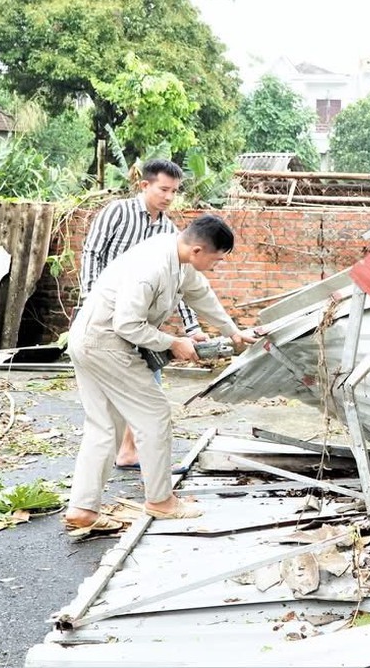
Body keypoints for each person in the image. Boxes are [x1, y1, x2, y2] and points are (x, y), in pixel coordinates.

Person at [64, 215, 256, 532]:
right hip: (105, 343)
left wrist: (233, 332)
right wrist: (173, 343)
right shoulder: (151, 268)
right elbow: (126, 324)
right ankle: (160, 501)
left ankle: (83, 509)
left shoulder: (178, 257)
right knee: (153, 415)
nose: (218, 266)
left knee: (104, 426)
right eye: (217, 260)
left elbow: (201, 295)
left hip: (91, 340)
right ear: (197, 250)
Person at [80, 159, 204, 470]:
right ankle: (112, 462)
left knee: (151, 384)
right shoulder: (117, 213)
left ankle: (131, 452)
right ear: (144, 185)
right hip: (107, 317)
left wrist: (193, 327)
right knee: (110, 401)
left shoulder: (167, 228)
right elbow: (92, 253)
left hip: (141, 321)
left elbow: (182, 280)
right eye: (163, 189)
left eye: (174, 191)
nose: (169, 197)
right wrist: (91, 302)